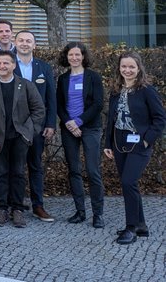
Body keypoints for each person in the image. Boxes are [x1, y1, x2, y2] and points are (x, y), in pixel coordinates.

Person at [0, 51, 45, 229]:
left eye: (6, 63)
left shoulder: (26, 85)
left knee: (18, 173)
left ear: (14, 65)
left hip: (19, 138)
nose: (2, 66)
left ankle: (17, 209)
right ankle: (1, 208)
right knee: (0, 173)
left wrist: (28, 132)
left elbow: (39, 110)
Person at [103, 52, 165, 245]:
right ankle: (141, 225)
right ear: (119, 68)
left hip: (139, 143)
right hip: (119, 142)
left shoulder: (147, 90)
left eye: (131, 67)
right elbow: (111, 120)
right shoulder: (116, 90)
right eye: (124, 66)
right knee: (129, 184)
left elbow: (160, 118)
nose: (127, 70)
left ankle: (131, 228)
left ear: (139, 69)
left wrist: (147, 140)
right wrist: (107, 144)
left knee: (128, 181)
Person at [57, 41, 105, 228]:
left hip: (90, 127)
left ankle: (98, 214)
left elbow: (98, 104)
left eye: (78, 54)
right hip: (68, 128)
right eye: (71, 55)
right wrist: (69, 123)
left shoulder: (93, 77)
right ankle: (80, 211)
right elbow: (59, 105)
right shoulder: (63, 78)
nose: (74, 58)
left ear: (83, 56)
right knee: (74, 170)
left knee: (93, 171)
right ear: (67, 57)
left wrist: (78, 122)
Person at [13, 30, 56, 223]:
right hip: (15, 125)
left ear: (34, 45)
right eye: (21, 40)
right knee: (16, 166)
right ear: (15, 43)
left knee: (36, 165)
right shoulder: (8, 65)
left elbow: (51, 97)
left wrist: (51, 123)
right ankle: (16, 205)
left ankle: (38, 205)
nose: (24, 44)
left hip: (38, 126)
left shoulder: (43, 67)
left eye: (28, 41)